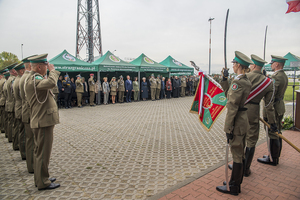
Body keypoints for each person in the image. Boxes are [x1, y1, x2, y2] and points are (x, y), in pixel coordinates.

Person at [216, 51, 252, 196]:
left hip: (236, 121)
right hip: (242, 120)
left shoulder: (238, 82)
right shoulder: (243, 80)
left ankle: (234, 186)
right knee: (240, 153)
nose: (233, 66)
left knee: (237, 154)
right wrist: (225, 79)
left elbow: (231, 105)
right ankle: (235, 181)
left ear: (238, 65)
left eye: (234, 64)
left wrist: (228, 127)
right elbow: (228, 94)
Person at [25, 54, 60, 190]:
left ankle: (41, 177)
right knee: (43, 152)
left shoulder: (34, 78)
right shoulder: (35, 79)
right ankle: (43, 181)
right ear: (39, 67)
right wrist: (53, 71)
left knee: (40, 151)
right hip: (42, 121)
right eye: (46, 65)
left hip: (41, 119)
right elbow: (51, 83)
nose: (48, 67)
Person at [257, 55, 288, 166]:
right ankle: (274, 155)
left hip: (273, 108)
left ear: (277, 64)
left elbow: (270, 96)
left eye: (272, 63)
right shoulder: (283, 75)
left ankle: (273, 159)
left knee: (273, 133)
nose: (271, 65)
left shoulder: (277, 77)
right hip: (279, 106)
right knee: (278, 132)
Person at [19, 55, 36, 173]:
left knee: (29, 139)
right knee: (31, 141)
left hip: (24, 110)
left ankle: (31, 165)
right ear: (30, 65)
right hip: (30, 112)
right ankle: (32, 166)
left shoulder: (22, 78)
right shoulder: (28, 78)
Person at [13, 62, 26, 160]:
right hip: (22, 108)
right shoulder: (20, 81)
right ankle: (24, 154)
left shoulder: (16, 80)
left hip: (18, 107)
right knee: (23, 133)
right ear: (21, 71)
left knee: (20, 130)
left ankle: (23, 152)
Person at [5, 63, 18, 147]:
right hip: (13, 104)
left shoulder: (8, 80)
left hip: (9, 103)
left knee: (10, 123)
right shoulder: (13, 80)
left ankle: (10, 138)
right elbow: (14, 94)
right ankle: (16, 143)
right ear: (13, 71)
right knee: (15, 125)